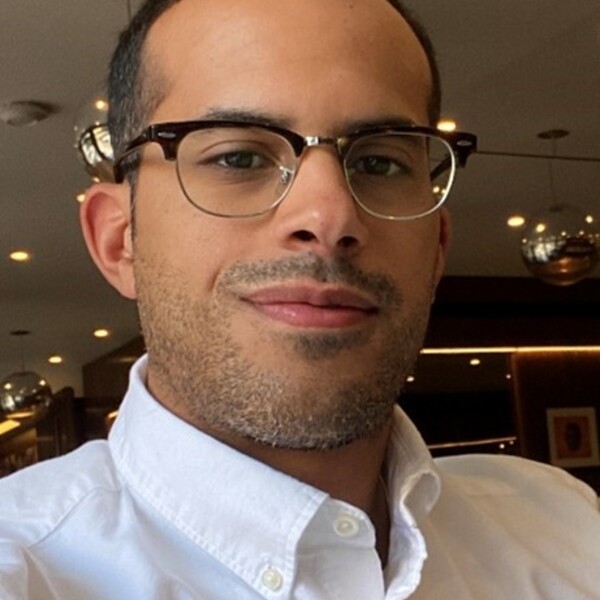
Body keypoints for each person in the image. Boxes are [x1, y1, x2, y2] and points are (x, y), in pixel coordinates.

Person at [1, 0, 599, 598]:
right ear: (120, 241)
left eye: (378, 161)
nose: (330, 215)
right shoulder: (27, 568)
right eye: (237, 156)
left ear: (438, 245)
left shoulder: (562, 526)